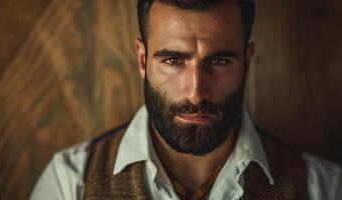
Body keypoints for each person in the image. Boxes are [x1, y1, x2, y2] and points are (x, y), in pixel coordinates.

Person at [31, 0, 342, 199]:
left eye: (219, 62)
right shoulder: (69, 184)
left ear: (248, 62)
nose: (195, 92)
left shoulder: (323, 188)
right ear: (142, 61)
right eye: (172, 61)